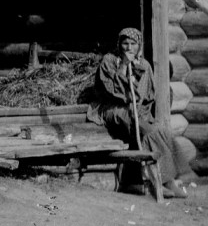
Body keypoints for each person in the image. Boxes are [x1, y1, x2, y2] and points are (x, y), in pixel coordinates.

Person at [81, 26, 192, 198]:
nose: (129, 48)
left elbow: (146, 94)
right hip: (112, 108)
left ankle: (170, 179)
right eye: (125, 43)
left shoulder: (144, 65)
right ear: (119, 44)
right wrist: (124, 67)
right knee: (147, 132)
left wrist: (138, 102)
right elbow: (112, 91)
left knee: (159, 130)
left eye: (133, 44)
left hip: (136, 109)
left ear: (139, 45)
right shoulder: (109, 61)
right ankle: (165, 183)